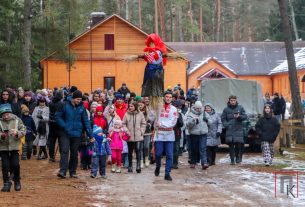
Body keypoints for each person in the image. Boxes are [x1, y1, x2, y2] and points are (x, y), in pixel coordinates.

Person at [55, 90, 93, 179]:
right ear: (72, 98)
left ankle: (73, 171)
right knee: (64, 151)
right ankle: (63, 171)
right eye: (77, 99)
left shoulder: (82, 108)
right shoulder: (64, 105)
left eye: (80, 99)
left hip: (77, 133)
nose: (78, 101)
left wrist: (90, 135)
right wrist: (64, 126)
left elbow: (86, 121)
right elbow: (57, 116)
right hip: (65, 133)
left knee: (74, 153)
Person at [0, 104, 26, 192]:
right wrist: (1, 135)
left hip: (15, 147)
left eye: (7, 114)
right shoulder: (0, 122)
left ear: (10, 113)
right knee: (5, 166)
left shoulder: (17, 120)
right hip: (3, 147)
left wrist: (17, 133)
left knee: (15, 164)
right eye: (4, 115)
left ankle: (17, 180)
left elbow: (24, 130)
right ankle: (6, 183)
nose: (6, 116)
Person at [153, 91, 178, 181]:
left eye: (170, 97)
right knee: (158, 154)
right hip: (159, 134)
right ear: (164, 97)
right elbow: (152, 117)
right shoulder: (158, 107)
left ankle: (167, 173)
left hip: (169, 135)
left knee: (170, 155)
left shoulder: (174, 109)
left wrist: (161, 123)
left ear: (172, 98)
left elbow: (173, 122)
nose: (168, 98)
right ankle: (158, 166)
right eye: (167, 96)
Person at [221, 95, 247, 165]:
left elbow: (245, 117)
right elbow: (223, 119)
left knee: (238, 145)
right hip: (230, 129)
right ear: (229, 100)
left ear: (236, 100)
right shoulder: (226, 109)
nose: (233, 102)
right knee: (231, 146)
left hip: (238, 129)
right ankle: (232, 160)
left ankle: (238, 158)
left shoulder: (240, 108)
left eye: (234, 100)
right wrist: (226, 125)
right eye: (231, 100)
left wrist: (239, 117)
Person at [123, 101, 146, 173]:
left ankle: (138, 165)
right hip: (130, 136)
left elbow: (143, 123)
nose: (130, 107)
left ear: (135, 106)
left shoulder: (140, 114)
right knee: (130, 151)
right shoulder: (126, 114)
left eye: (132, 106)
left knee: (138, 150)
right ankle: (130, 166)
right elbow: (123, 124)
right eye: (129, 106)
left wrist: (141, 131)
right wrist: (127, 131)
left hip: (138, 136)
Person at [186, 101, 210, 169]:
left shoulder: (205, 114)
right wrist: (193, 121)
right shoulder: (191, 114)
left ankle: (204, 163)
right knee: (194, 149)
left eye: (200, 108)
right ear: (195, 108)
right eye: (197, 108)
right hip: (194, 134)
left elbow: (211, 123)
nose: (199, 109)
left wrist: (207, 121)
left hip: (203, 134)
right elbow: (187, 124)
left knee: (203, 148)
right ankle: (193, 162)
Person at [48, 90, 64, 162]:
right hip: (59, 124)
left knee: (52, 141)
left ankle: (51, 157)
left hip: (51, 124)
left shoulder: (50, 103)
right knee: (61, 142)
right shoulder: (61, 104)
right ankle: (62, 156)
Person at [172, 100, 184, 169]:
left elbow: (181, 124)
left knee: (176, 149)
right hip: (170, 134)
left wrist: (178, 117)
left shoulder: (179, 114)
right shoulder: (170, 113)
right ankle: (170, 162)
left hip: (177, 134)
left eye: (179, 107)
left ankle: (175, 163)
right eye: (176, 106)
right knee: (171, 149)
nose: (178, 108)